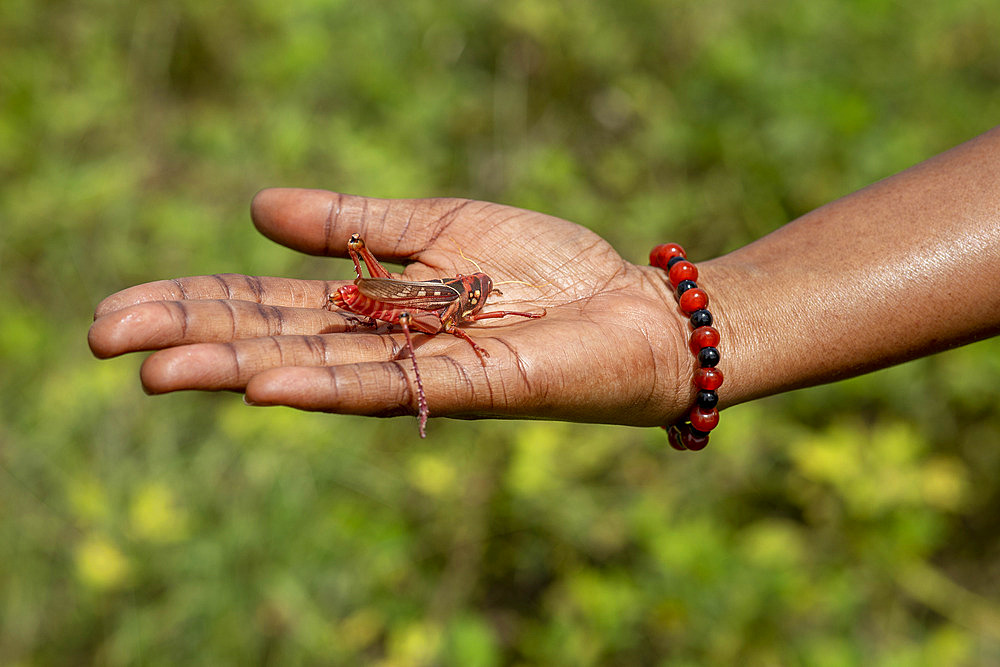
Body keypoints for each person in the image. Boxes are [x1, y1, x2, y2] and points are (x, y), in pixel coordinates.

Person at [88, 125, 1000, 433]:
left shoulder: (473, 308)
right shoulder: (442, 303)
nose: (477, 306)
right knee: (391, 312)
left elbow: (458, 314)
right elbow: (423, 315)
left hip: (400, 311)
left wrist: (679, 323)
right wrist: (391, 311)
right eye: (476, 301)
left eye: (478, 303)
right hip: (384, 305)